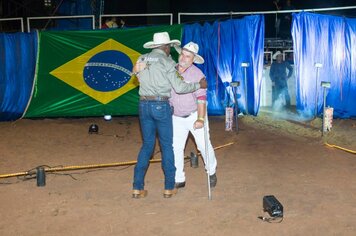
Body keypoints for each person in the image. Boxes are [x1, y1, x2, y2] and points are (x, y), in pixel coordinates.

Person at [131, 32, 207, 199]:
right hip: (160, 105)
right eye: (170, 48)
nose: (170, 50)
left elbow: (134, 76)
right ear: (165, 47)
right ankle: (169, 187)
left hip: (143, 105)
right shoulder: (168, 62)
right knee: (167, 146)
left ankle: (137, 187)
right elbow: (179, 88)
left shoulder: (142, 58)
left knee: (147, 145)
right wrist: (197, 85)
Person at [170, 42, 217, 189]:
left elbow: (201, 99)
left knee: (203, 145)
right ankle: (179, 178)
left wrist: (201, 119)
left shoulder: (197, 75)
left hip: (194, 115)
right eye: (182, 54)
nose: (184, 58)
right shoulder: (170, 70)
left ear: (193, 59)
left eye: (188, 56)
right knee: (176, 148)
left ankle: (211, 171)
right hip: (175, 116)